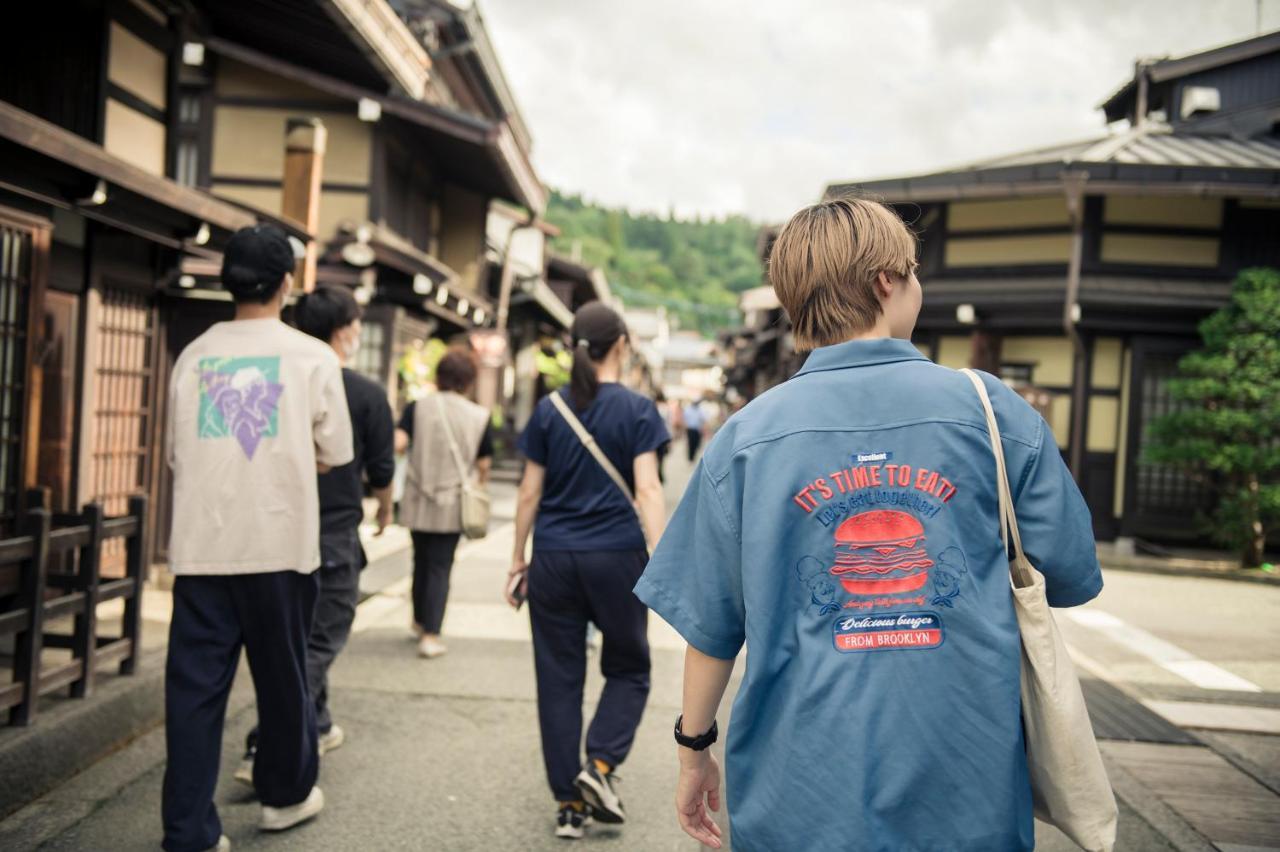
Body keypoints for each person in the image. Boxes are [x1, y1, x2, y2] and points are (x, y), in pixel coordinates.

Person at [635, 197, 1104, 852]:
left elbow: (713, 629)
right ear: (887, 282)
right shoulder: (993, 413)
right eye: (912, 273)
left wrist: (693, 752)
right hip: (967, 787)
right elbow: (1074, 574)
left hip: (795, 792)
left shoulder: (745, 439)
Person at [162, 225, 353, 852]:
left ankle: (188, 830)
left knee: (193, 695)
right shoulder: (312, 357)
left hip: (201, 546)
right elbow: (335, 452)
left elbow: (174, 456)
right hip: (280, 544)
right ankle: (284, 795)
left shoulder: (194, 356)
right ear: (287, 284)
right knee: (283, 679)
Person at [505, 302, 669, 840]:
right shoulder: (639, 410)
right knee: (628, 666)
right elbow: (647, 488)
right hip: (617, 557)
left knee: (558, 677)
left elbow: (529, 491)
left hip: (553, 558)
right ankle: (599, 766)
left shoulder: (550, 409)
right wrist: (663, 556)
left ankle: (569, 804)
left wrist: (517, 558)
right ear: (621, 344)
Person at [235, 285, 395, 784]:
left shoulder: (271, 380)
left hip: (274, 529)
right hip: (332, 534)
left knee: (298, 634)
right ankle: (266, 741)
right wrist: (386, 510)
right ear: (346, 331)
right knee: (321, 639)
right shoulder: (367, 394)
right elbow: (383, 468)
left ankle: (318, 723)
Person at [396, 347, 493, 659]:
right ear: (469, 380)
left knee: (419, 560)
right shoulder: (479, 416)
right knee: (440, 566)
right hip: (453, 502)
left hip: (417, 496)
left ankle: (418, 619)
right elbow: (484, 465)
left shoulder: (418, 407)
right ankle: (431, 634)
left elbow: (398, 443)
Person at [682, 397, 707, 462]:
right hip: (690, 429)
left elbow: (703, 420)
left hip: (697, 430)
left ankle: (693, 457)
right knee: (691, 444)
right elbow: (684, 419)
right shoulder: (688, 410)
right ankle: (690, 458)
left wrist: (703, 429)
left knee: (696, 444)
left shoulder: (700, 410)